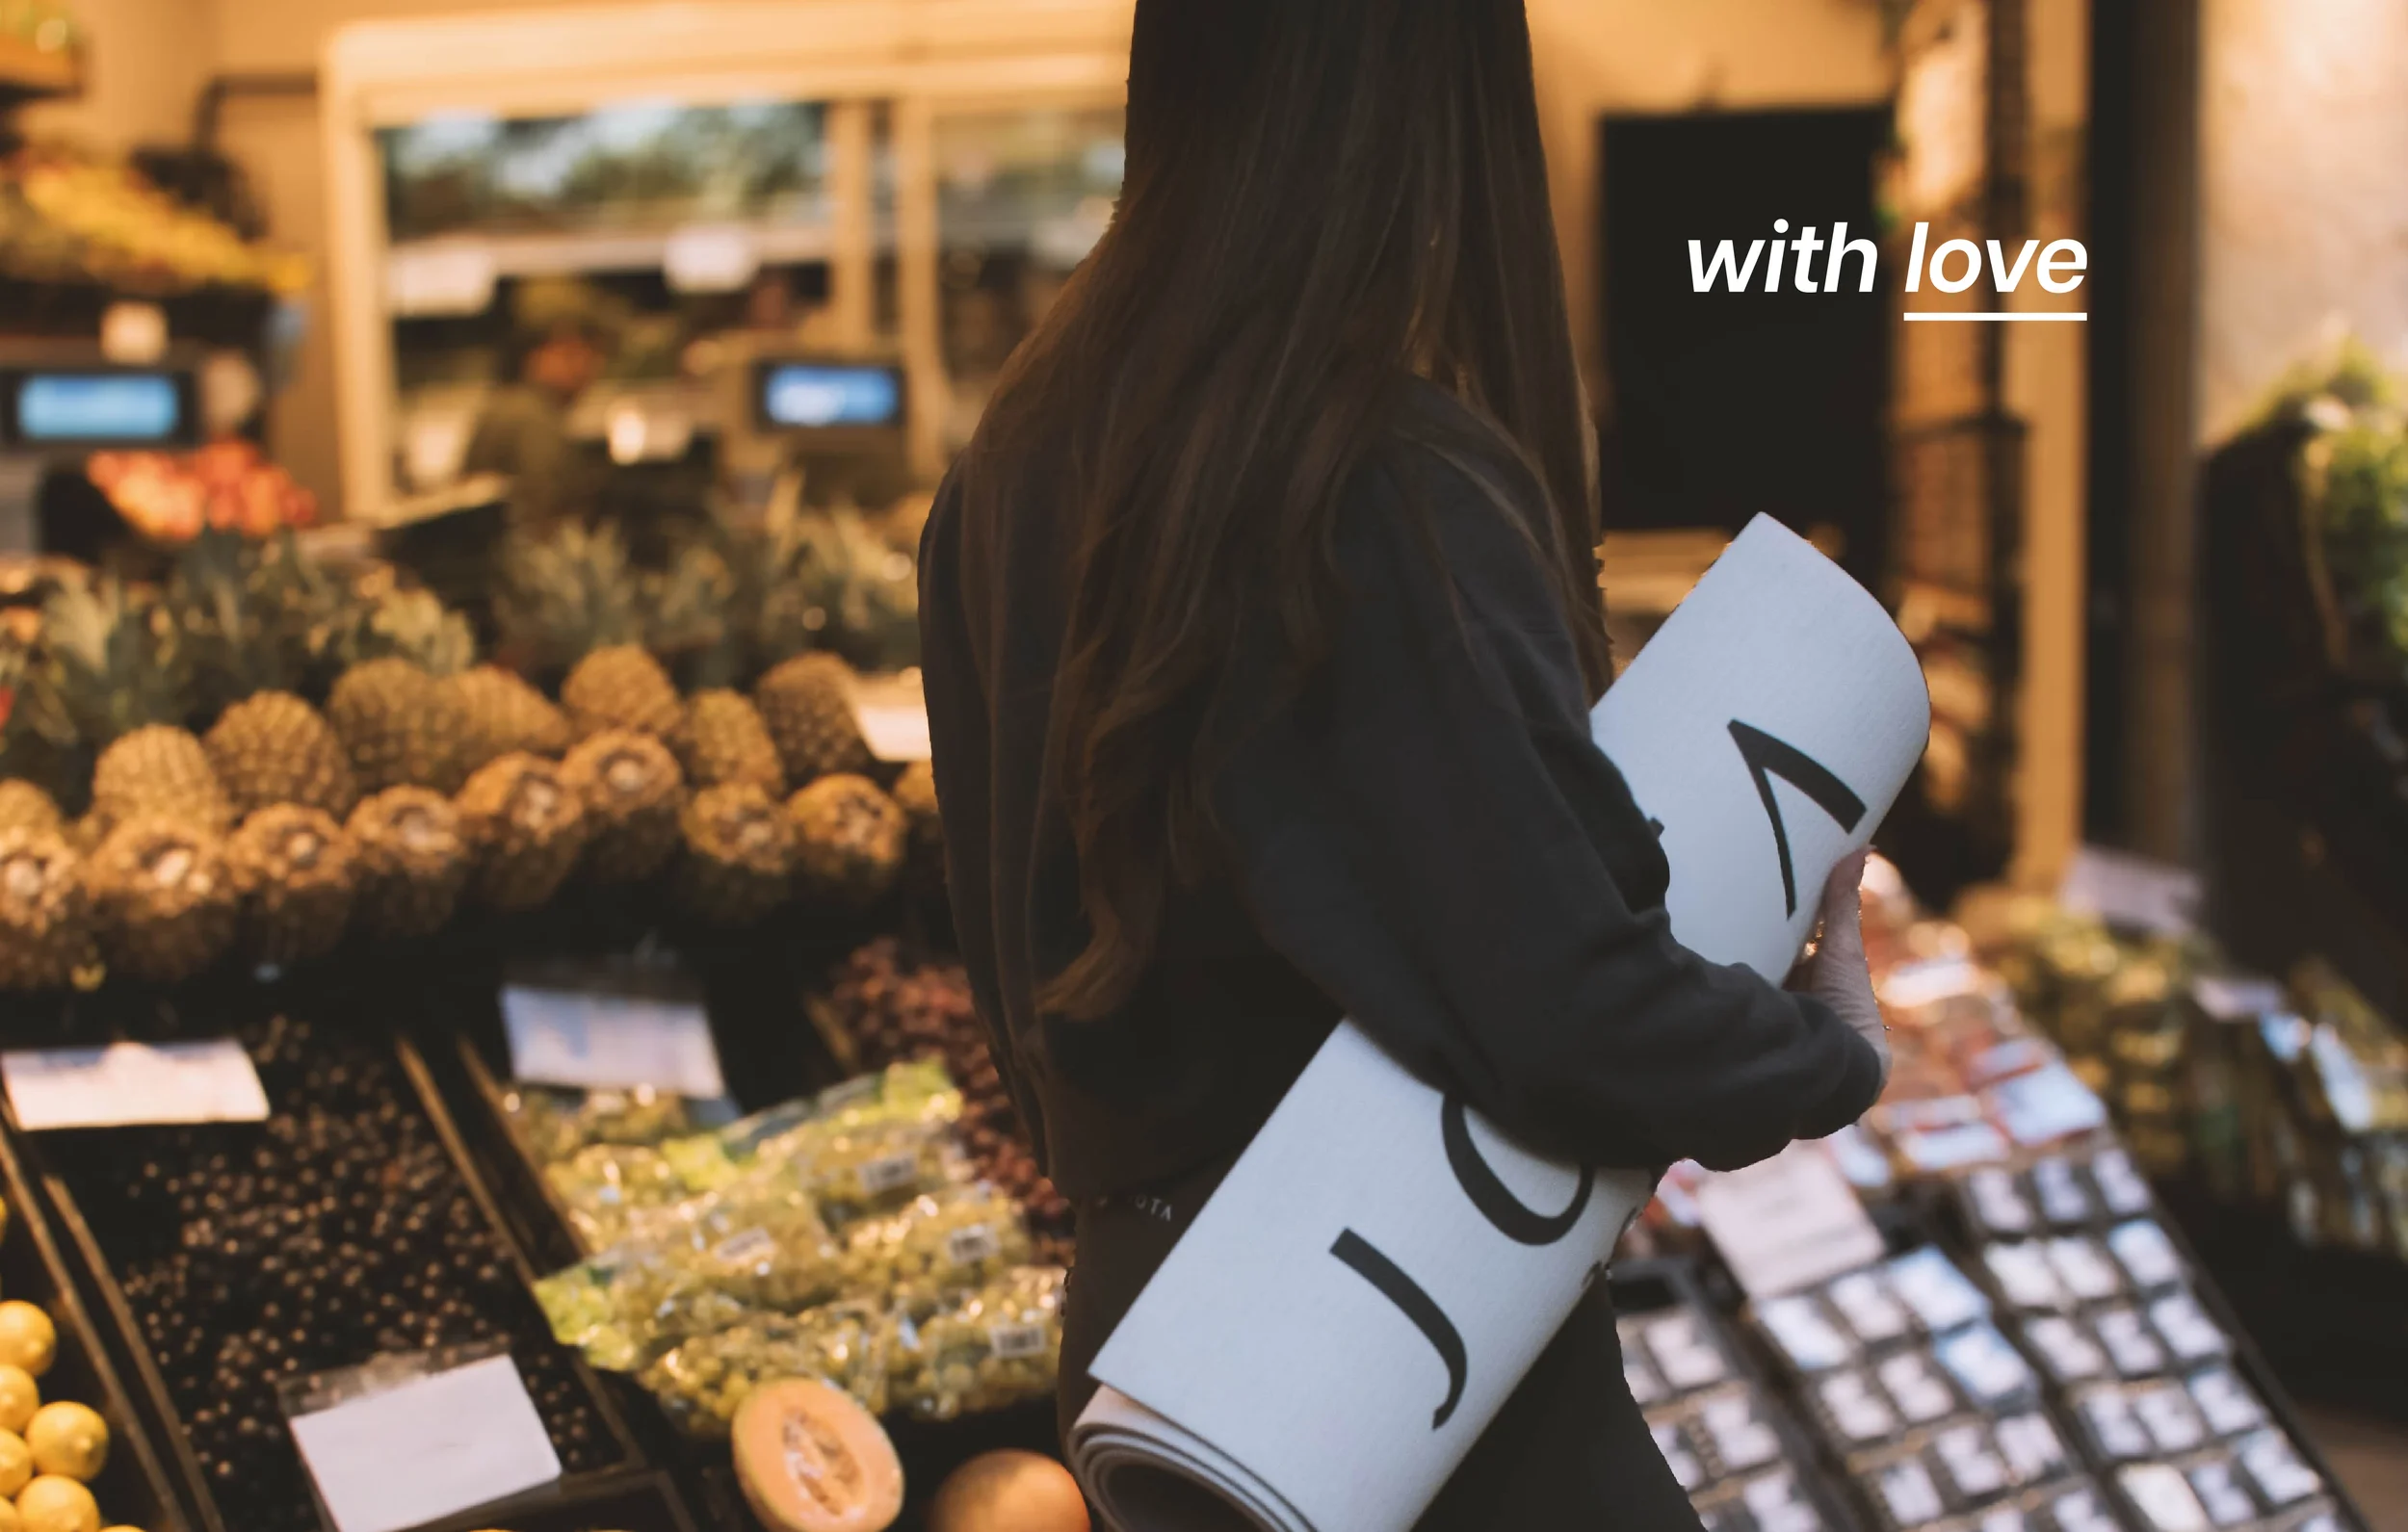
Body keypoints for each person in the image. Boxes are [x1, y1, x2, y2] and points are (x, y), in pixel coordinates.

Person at [916, 2, 1893, 1525]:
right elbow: (1568, 999)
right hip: (1395, 1328)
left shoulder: (1009, 465)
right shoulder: (1374, 475)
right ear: (1433, 98)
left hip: (1153, 1340)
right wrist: (1824, 1044)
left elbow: (1002, 962)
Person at [459, 317, 609, 530]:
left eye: (591, 356)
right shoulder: (531, 418)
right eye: (569, 355)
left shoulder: (512, 405)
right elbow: (543, 511)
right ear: (533, 358)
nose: (583, 367)